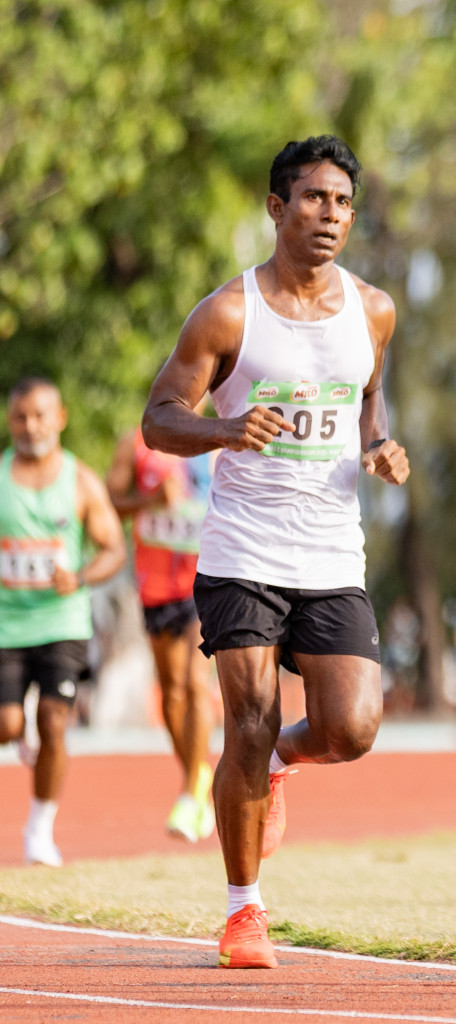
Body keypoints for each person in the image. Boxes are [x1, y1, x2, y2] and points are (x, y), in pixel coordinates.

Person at [141, 135, 410, 969]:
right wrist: (224, 427)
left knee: (352, 726)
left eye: (341, 202)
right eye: (312, 199)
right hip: (244, 550)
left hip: (332, 552)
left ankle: (286, 765)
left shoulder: (373, 309)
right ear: (276, 207)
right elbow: (159, 418)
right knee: (247, 723)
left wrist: (379, 446)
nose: (329, 215)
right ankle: (243, 910)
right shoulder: (229, 312)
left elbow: (368, 400)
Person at [0, 378, 126, 866]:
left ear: (60, 418)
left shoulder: (81, 481)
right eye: (19, 417)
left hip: (62, 623)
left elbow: (113, 549)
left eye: (39, 416)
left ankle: (39, 829)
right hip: (7, 625)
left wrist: (79, 576)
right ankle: (18, 728)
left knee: (54, 721)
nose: (29, 427)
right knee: (7, 725)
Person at [107, 424, 216, 841]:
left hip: (204, 579)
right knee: (170, 692)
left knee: (193, 684)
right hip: (155, 585)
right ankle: (197, 776)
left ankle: (191, 793)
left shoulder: (219, 439)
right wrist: (150, 501)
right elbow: (112, 503)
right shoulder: (135, 442)